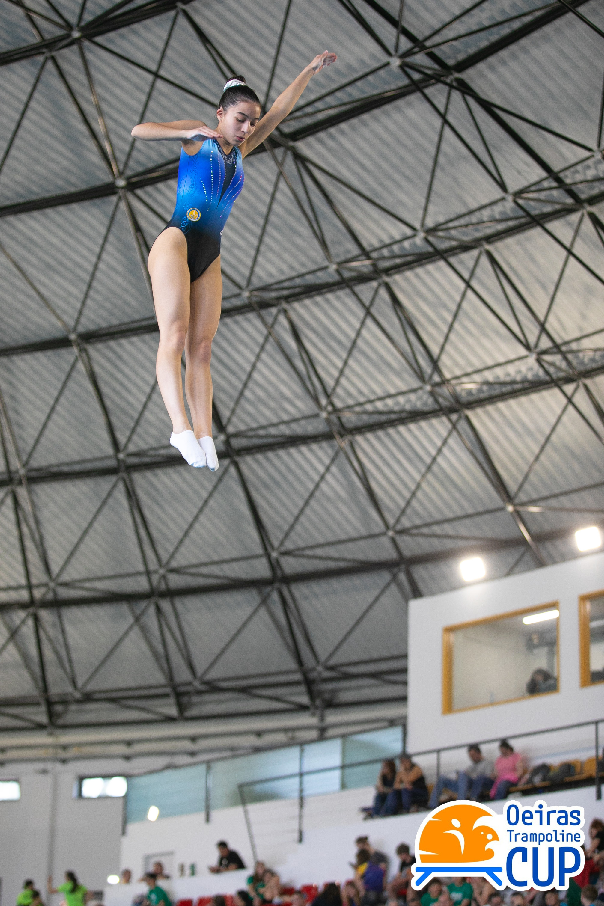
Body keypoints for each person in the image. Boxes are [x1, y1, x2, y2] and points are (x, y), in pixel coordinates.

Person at [131, 52, 337, 472]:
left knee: (202, 347)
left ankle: (205, 433)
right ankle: (179, 428)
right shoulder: (197, 139)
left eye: (251, 122)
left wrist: (308, 71)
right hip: (176, 240)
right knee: (175, 333)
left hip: (210, 251)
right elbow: (140, 130)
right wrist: (186, 129)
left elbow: (278, 112)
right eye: (240, 119)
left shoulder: (243, 149)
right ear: (221, 114)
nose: (247, 128)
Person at [428, 745, 494, 808]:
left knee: (462, 774)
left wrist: (468, 775)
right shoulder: (470, 767)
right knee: (442, 778)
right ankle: (432, 805)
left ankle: (461, 802)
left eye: (473, 755)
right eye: (470, 756)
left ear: (478, 753)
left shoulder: (487, 763)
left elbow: (487, 776)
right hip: (465, 786)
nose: (472, 758)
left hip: (476, 784)